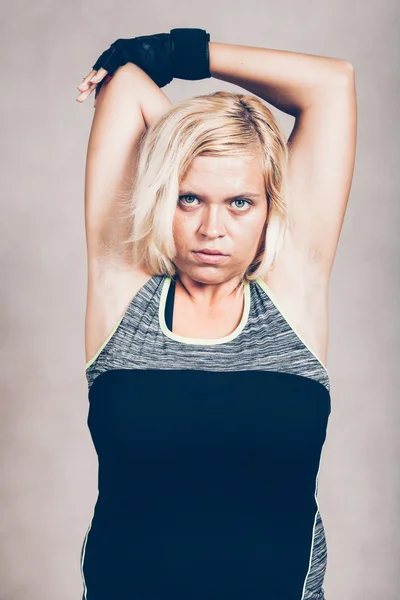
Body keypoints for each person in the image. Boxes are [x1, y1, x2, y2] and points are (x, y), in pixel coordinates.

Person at [75, 28, 357, 600]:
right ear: (163, 196)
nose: (212, 229)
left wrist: (180, 55)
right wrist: (189, 145)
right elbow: (127, 86)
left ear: (270, 207)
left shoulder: (291, 294)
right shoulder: (123, 292)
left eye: (240, 202)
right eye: (189, 198)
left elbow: (333, 83)